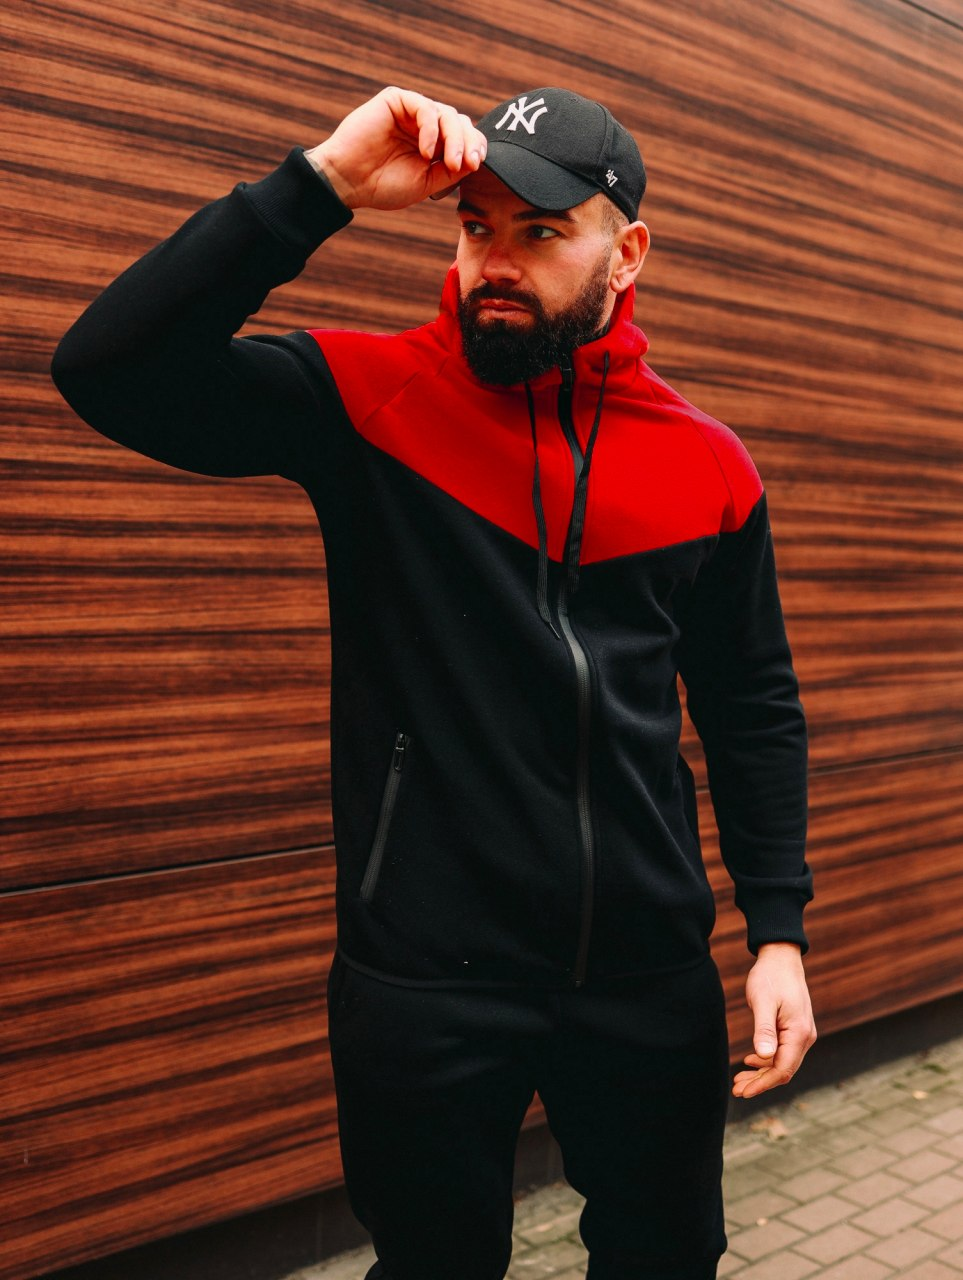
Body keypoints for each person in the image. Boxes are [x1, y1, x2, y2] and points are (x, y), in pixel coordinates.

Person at [52, 84, 816, 1280]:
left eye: (540, 231)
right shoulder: (369, 399)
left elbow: (752, 705)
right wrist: (320, 186)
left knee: (667, 1255)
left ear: (628, 253)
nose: (494, 262)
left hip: (648, 968)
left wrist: (778, 932)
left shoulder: (708, 464)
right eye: (475, 225)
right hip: (424, 976)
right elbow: (108, 366)